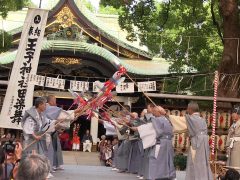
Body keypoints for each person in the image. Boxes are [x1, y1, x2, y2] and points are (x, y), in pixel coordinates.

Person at [169, 101, 213, 180]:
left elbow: (179, 121)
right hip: (204, 144)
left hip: (197, 143)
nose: (187, 110)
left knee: (194, 162)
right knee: (203, 163)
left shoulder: (191, 119)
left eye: (187, 109)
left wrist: (168, 115)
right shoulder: (202, 120)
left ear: (190, 109)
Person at [133, 106, 176, 180]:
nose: (153, 113)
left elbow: (149, 127)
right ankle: (169, 175)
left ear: (159, 112)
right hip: (168, 142)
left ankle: (153, 176)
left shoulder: (157, 120)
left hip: (161, 142)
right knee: (168, 159)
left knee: (153, 158)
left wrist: (138, 129)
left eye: (154, 111)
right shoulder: (167, 120)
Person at [45, 95, 80, 171]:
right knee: (49, 150)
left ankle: (55, 164)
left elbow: (60, 120)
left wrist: (73, 116)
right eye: (54, 100)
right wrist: (76, 111)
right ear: (50, 101)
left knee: (56, 148)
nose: (55, 102)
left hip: (52, 132)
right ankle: (48, 167)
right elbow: (63, 115)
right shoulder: (49, 108)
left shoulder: (50, 108)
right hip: (46, 134)